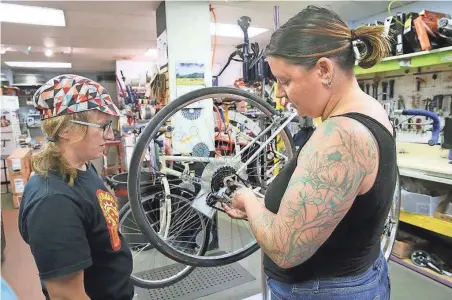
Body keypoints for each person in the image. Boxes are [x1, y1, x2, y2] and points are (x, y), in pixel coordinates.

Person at [223, 6, 397, 300]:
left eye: (286, 80)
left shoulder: (341, 136)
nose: (281, 94)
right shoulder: (369, 109)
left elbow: (285, 248)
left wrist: (249, 202)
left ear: (324, 70)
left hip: (321, 291)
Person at [18, 74, 134, 300]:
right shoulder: (53, 202)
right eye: (102, 126)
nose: (110, 135)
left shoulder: (81, 166)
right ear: (65, 129)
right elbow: (66, 295)